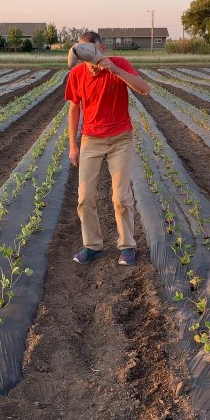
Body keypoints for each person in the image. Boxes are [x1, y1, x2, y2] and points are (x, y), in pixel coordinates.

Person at [65, 31, 150, 266]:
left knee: (121, 197)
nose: (88, 61)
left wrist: (115, 70)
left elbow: (145, 89)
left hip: (121, 139)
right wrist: (73, 144)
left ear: (101, 48)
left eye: (90, 51)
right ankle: (92, 246)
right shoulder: (77, 74)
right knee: (84, 197)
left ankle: (127, 246)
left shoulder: (119, 64)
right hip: (91, 140)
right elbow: (74, 108)